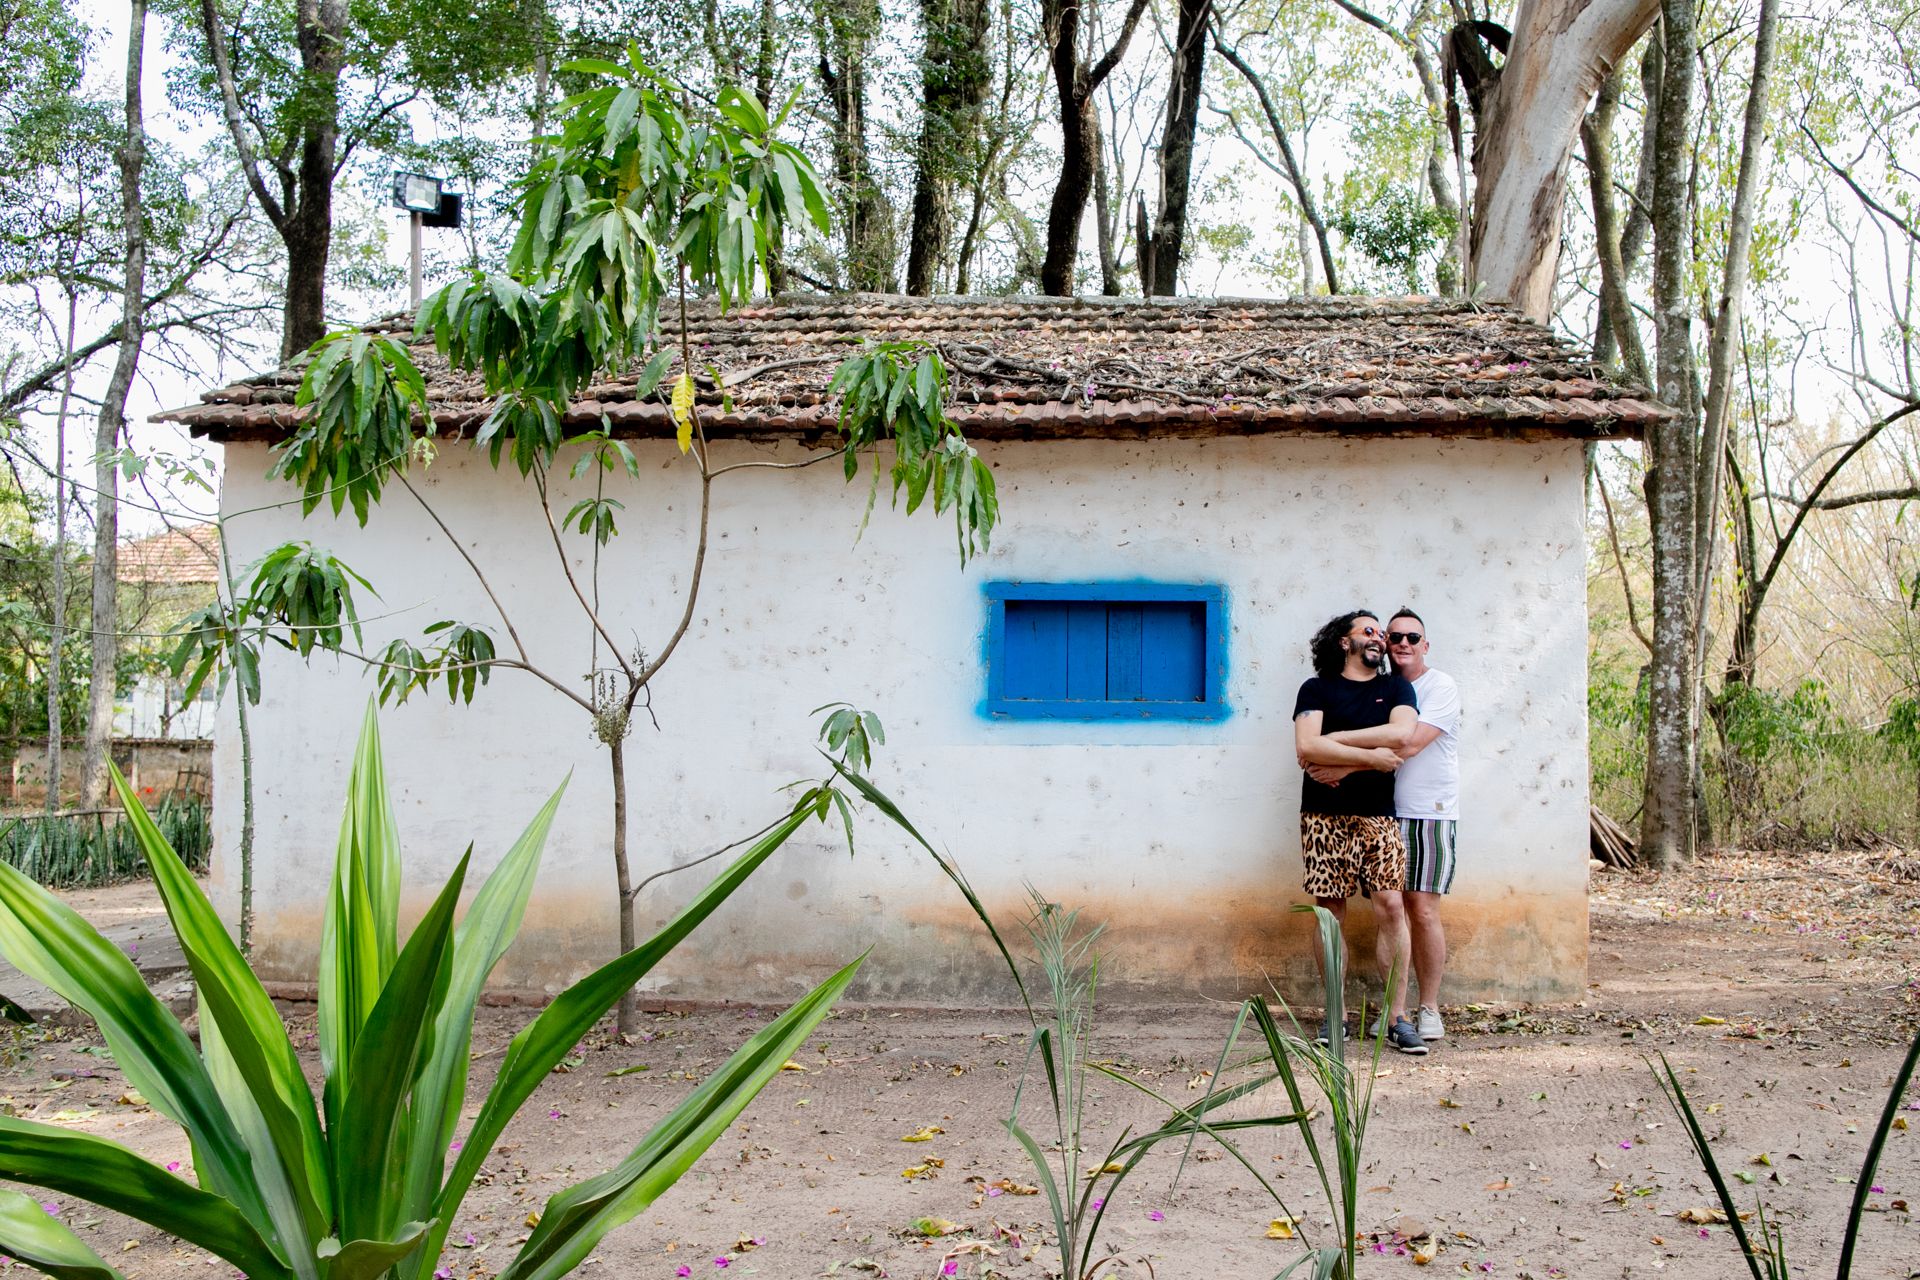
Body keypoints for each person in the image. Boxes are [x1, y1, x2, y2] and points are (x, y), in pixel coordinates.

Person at [1311, 608, 1460, 1044]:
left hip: (1428, 809)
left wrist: (1336, 755)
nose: (1402, 643)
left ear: (1425, 645)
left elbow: (1407, 743)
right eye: (1394, 636)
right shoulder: (1383, 688)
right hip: (1385, 809)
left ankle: (1426, 1009)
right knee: (1382, 907)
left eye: (1413, 637)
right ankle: (1389, 1013)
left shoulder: (1438, 687)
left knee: (1421, 908)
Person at [1292, 610, 1425, 1055]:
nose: (1379, 638)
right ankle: (1336, 1015)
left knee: (1391, 906)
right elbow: (1307, 746)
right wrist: (1373, 755)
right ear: (1343, 642)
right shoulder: (1316, 688)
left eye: (1381, 633)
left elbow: (1402, 736)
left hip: (1378, 816)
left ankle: (1397, 1015)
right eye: (1368, 631)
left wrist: (1342, 749)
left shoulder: (1395, 688)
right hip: (1323, 816)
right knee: (1330, 912)